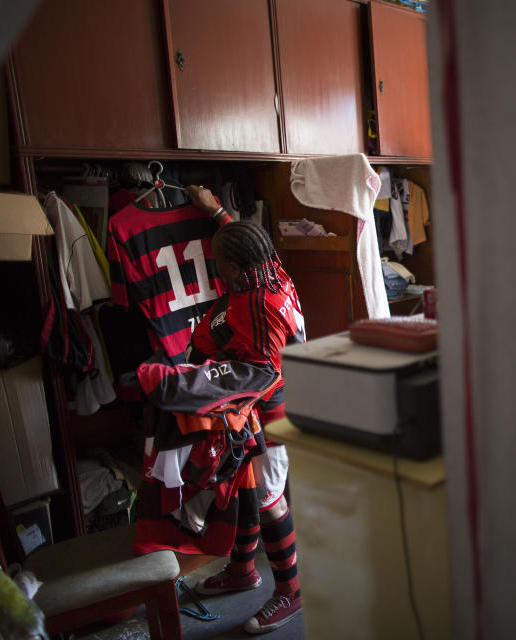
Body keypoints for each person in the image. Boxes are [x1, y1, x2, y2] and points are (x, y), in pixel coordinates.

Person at [182, 185, 306, 634]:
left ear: (235, 269)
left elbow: (264, 374)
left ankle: (290, 594)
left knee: (271, 501)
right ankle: (242, 572)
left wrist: (206, 383)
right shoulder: (269, 270)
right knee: (249, 490)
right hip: (263, 409)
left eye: (221, 264)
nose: (218, 268)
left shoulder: (258, 307)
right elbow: (243, 238)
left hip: (273, 413)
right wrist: (216, 211)